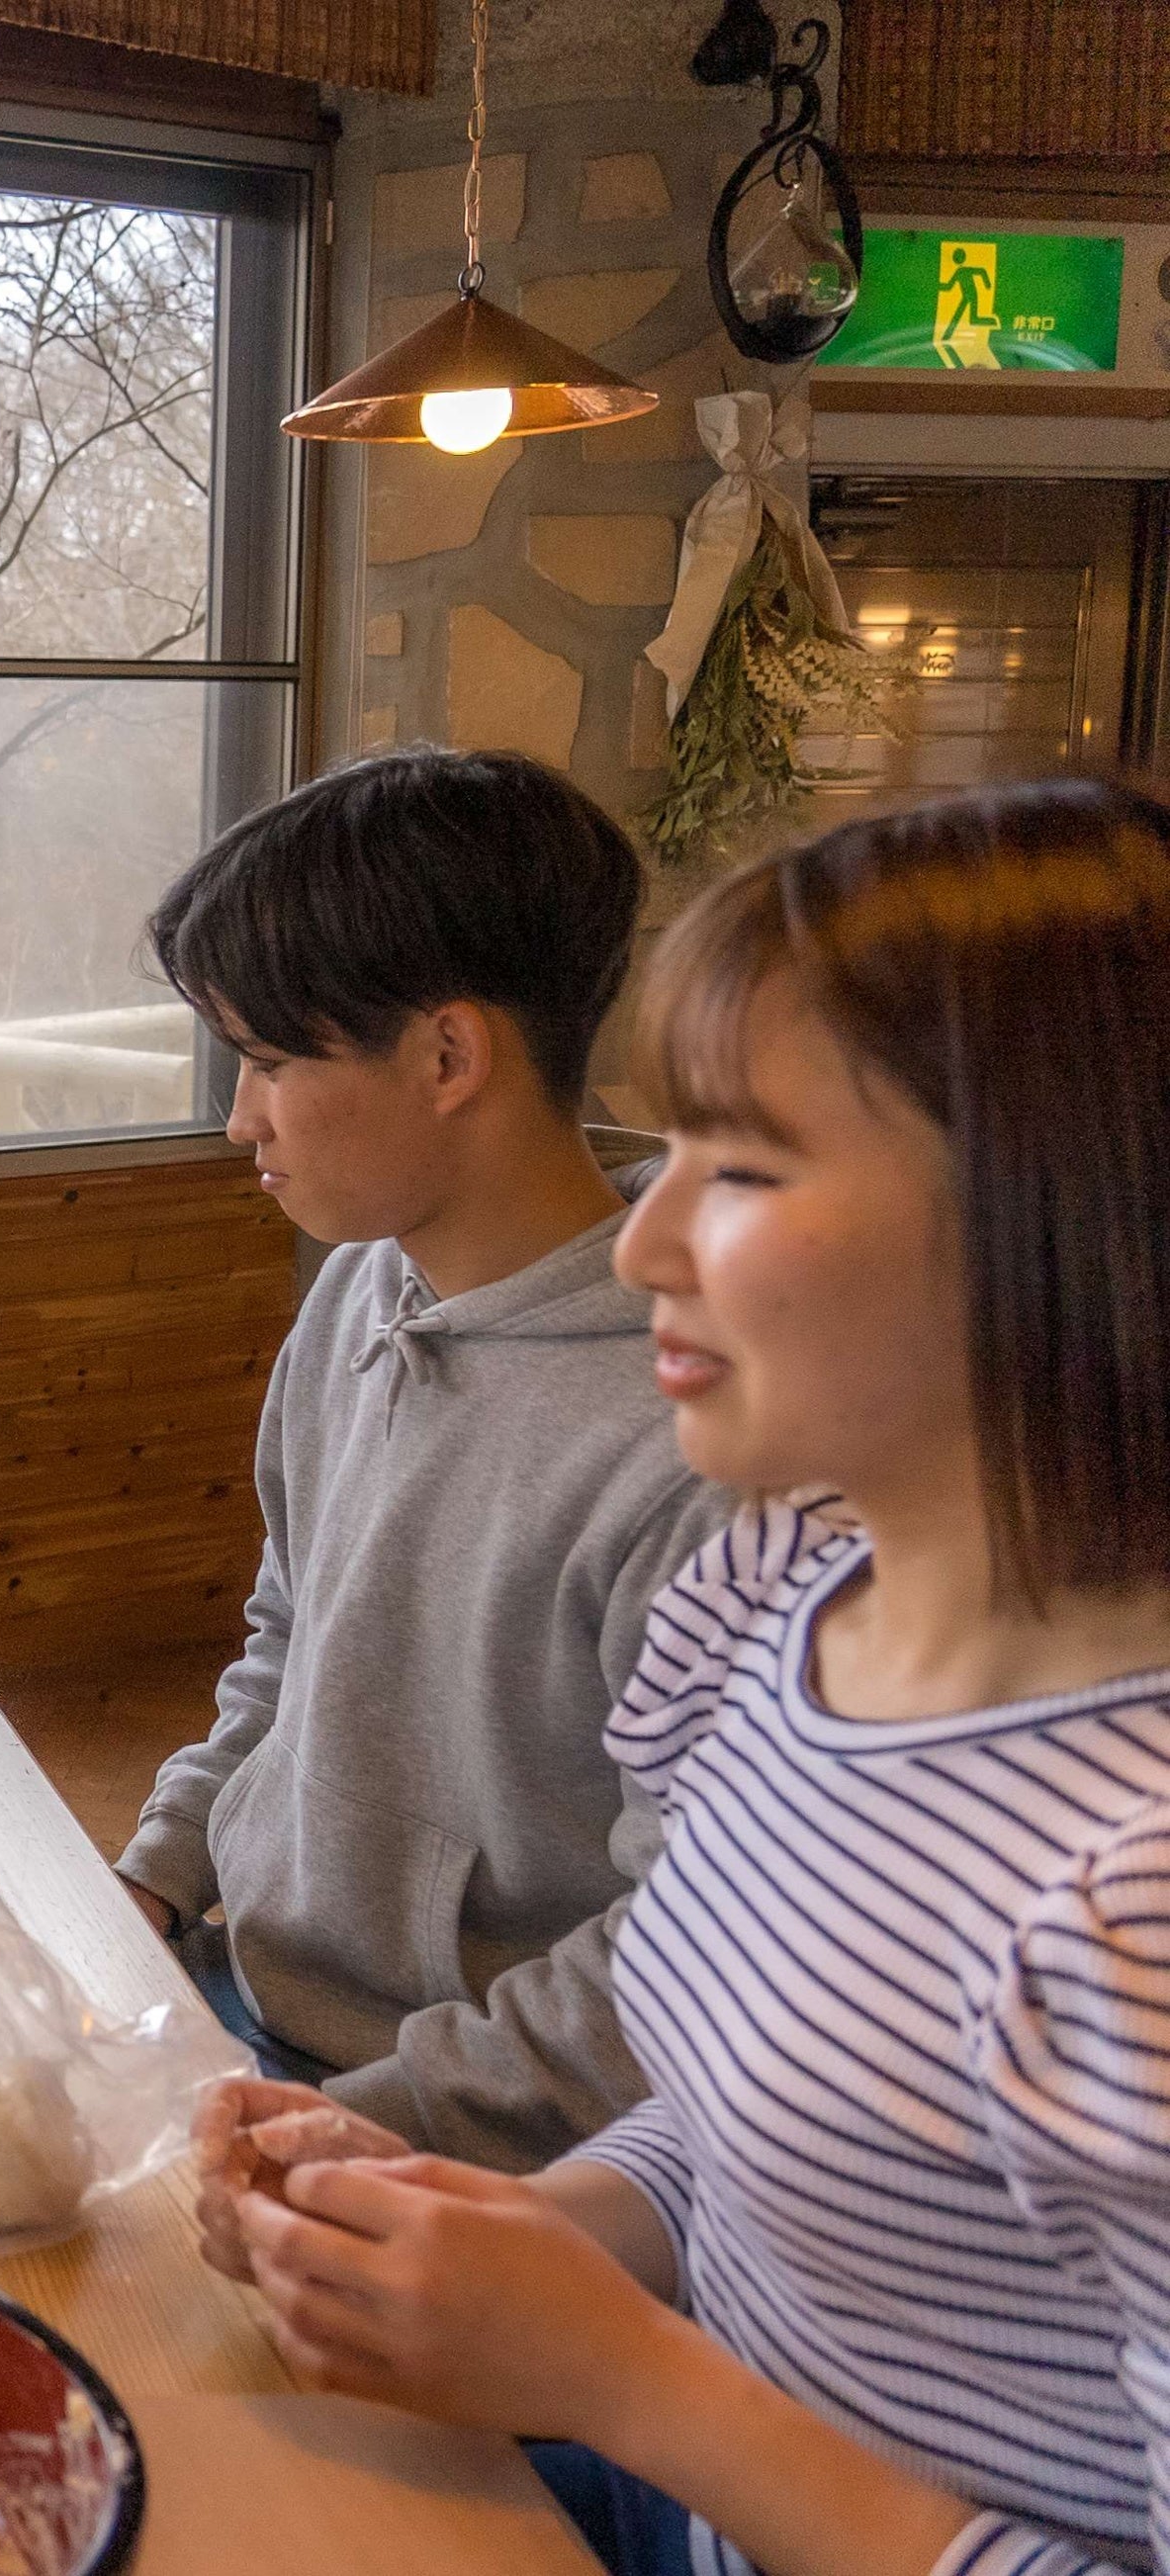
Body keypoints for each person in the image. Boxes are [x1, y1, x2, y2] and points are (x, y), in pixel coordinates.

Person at [211, 777, 1170, 2576]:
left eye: (742, 1168)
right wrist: (525, 2229)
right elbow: (742, 2118)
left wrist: (627, 2381)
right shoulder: (785, 1603)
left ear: (1050, 1215)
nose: (645, 1241)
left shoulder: (1128, 1901)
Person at [111, 748, 723, 2170]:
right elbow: (287, 1639)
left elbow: (686, 1941)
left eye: (269, 1061)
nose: (238, 1119)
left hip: (471, 2144)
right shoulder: (361, 1281)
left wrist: (350, 2130)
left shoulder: (690, 1440)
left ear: (451, 1057)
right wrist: (155, 1879)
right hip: (239, 2008)